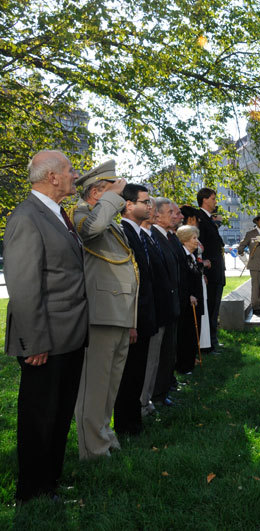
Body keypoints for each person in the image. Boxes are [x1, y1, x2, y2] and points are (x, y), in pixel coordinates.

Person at [5, 150, 88, 502]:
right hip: (45, 339)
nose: (75, 175)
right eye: (69, 169)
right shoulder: (27, 216)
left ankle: (49, 481)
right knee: (39, 417)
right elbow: (24, 285)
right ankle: (32, 490)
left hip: (68, 335)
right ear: (52, 176)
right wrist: (34, 341)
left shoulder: (55, 213)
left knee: (59, 414)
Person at [73, 160, 137, 460]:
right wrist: (112, 198)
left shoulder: (109, 220)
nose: (120, 195)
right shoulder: (82, 214)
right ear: (97, 192)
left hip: (118, 311)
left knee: (110, 383)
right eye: (114, 189)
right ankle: (92, 449)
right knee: (95, 385)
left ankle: (104, 435)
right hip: (101, 312)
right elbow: (91, 230)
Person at [115, 184, 157, 436]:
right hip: (133, 317)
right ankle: (126, 425)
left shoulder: (139, 233)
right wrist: (131, 321)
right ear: (129, 205)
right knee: (129, 374)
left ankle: (133, 422)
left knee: (137, 371)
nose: (150, 206)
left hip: (144, 314)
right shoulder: (124, 233)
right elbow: (127, 279)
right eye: (145, 201)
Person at [139, 197, 178, 417]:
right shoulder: (145, 236)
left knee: (158, 358)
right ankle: (145, 401)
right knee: (150, 359)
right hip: (152, 309)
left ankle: (152, 398)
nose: (152, 212)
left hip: (164, 307)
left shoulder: (154, 236)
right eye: (150, 208)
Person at [149, 199, 182, 409]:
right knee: (160, 354)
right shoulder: (154, 236)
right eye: (169, 212)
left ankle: (164, 389)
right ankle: (158, 394)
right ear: (158, 216)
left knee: (169, 351)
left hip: (172, 303)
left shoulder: (168, 237)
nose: (174, 216)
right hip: (162, 305)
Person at [196, 188, 226, 351]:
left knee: (214, 308)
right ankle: (208, 343)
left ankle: (212, 340)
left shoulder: (208, 219)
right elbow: (200, 248)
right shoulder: (200, 219)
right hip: (210, 273)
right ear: (205, 200)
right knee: (210, 308)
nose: (215, 202)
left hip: (216, 272)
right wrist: (203, 271)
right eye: (213, 199)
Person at [175, 225, 205, 374]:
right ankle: (184, 365)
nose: (196, 241)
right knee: (186, 334)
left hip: (196, 300)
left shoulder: (192, 256)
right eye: (194, 238)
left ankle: (191, 359)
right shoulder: (182, 257)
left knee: (194, 332)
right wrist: (189, 295)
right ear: (185, 240)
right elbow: (181, 279)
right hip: (187, 302)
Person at [182, 205, 211, 350]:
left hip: (199, 275)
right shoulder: (184, 236)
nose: (197, 222)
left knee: (202, 311)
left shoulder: (193, 234)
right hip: (192, 279)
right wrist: (202, 265)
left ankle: (202, 343)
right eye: (195, 219)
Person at [237, 214, 260, 315]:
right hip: (254, 264)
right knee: (256, 286)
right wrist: (245, 260)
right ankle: (255, 307)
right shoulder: (250, 234)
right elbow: (241, 248)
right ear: (257, 222)